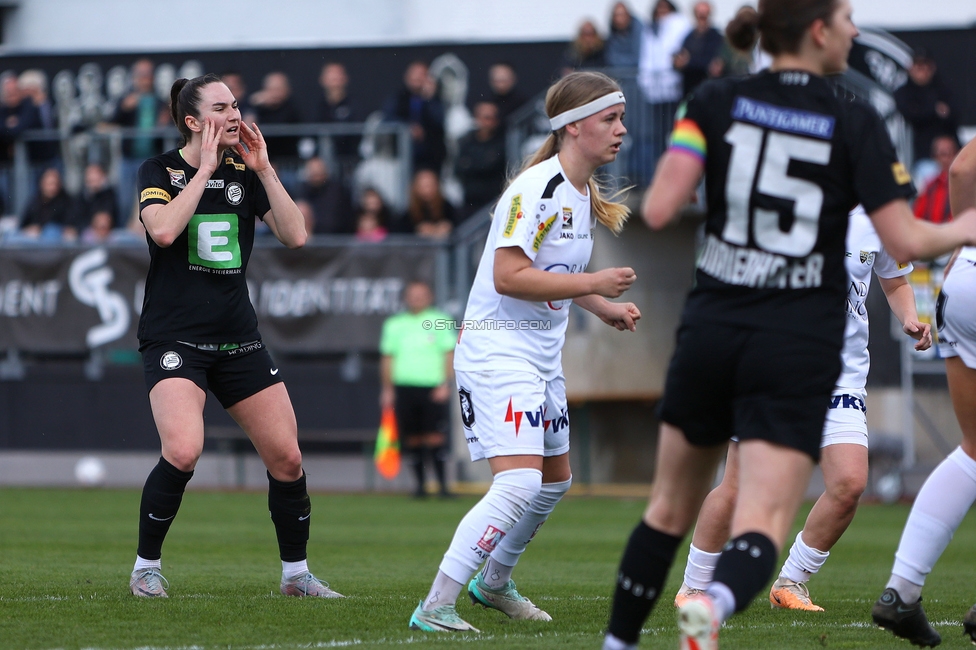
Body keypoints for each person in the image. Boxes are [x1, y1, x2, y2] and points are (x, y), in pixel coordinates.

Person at [601, 1, 976, 648]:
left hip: (714, 329)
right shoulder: (854, 118)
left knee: (667, 509)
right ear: (819, 31)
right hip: (790, 345)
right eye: (848, 19)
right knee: (764, 521)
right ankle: (705, 611)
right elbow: (906, 239)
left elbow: (660, 207)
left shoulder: (714, 99)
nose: (856, 32)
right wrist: (967, 229)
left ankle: (621, 642)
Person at [408, 70, 641, 633]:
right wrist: (594, 285)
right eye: (610, 119)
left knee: (554, 479)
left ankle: (491, 583)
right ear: (573, 126)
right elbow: (510, 276)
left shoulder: (581, 193)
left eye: (621, 118)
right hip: (497, 354)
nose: (621, 131)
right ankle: (436, 606)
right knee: (518, 483)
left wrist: (598, 302)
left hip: (540, 359)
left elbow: (555, 271)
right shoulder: (536, 188)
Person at [128, 73, 342, 601]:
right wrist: (201, 171)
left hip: (236, 336)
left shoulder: (245, 172)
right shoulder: (159, 169)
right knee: (183, 450)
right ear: (193, 121)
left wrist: (265, 170)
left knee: (288, 458)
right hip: (175, 337)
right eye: (221, 107)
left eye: (236, 105)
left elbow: (296, 235)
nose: (235, 114)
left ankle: (296, 576)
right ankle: (145, 568)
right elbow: (162, 231)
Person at [672, 205, 931, 614]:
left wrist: (910, 318)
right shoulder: (781, 197)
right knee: (739, 487)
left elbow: (896, 280)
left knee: (848, 484)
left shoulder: (877, 214)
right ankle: (693, 587)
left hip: (841, 375)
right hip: (772, 367)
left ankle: (791, 582)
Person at [871, 133, 976, 648]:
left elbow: (960, 171)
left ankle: (902, 590)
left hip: (966, 278)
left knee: (975, 450)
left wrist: (965, 241)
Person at [379, 281, 456, 498]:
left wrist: (446, 383)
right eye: (412, 295)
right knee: (412, 438)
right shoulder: (394, 324)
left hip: (432, 387)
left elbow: (449, 354)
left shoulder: (440, 320)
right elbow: (387, 358)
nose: (416, 298)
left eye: (421, 294)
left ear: (430, 296)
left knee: (435, 437)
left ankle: (442, 487)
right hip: (404, 387)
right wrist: (387, 389)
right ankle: (420, 487)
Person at [635, 0, 691, 184]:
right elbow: (647, 56)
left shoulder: (679, 24)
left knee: (673, 133)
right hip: (654, 91)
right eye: (659, 9)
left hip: (672, 89)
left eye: (665, 9)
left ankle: (676, 177)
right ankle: (659, 177)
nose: (662, 13)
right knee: (656, 136)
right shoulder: (650, 29)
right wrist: (645, 81)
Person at [894, 51, 959, 189]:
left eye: (925, 66)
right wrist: (934, 110)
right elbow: (911, 114)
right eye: (918, 66)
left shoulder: (943, 89)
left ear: (932, 68)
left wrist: (925, 110)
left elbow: (953, 115)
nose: (921, 71)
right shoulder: (903, 92)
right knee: (928, 177)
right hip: (916, 160)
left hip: (950, 161)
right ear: (910, 68)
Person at [383, 61, 446, 173]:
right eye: (414, 74)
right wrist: (407, 129)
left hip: (430, 156)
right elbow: (387, 120)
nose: (417, 77)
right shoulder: (397, 98)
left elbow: (440, 120)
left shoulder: (435, 99)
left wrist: (430, 98)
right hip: (402, 155)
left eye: (421, 74)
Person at [454, 101, 507, 219]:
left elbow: (493, 166)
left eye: (492, 118)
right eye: (485, 117)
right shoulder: (466, 141)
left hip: (493, 200)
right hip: (470, 201)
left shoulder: (502, 142)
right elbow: (458, 168)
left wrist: (472, 165)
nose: (488, 122)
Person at [312, 62, 361, 163]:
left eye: (337, 77)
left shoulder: (354, 106)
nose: (335, 82)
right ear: (323, 80)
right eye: (331, 77)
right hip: (322, 164)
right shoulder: (318, 108)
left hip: (350, 160)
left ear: (345, 79)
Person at [673, 2, 725, 95]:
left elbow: (712, 63)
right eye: (700, 15)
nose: (702, 18)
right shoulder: (688, 37)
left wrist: (688, 62)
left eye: (704, 15)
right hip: (690, 89)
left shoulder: (716, 37)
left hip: (709, 90)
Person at [13, 166, 76, 243]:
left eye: (54, 184)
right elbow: (22, 225)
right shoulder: (34, 201)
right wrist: (30, 230)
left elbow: (69, 227)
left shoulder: (66, 202)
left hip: (55, 241)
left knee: (51, 231)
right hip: (33, 242)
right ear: (42, 183)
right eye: (49, 184)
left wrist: (41, 230)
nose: (52, 188)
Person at [294, 156, 354, 235]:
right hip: (309, 239)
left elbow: (346, 217)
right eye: (314, 174)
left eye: (319, 174)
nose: (316, 177)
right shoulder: (301, 192)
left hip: (336, 238)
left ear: (325, 172)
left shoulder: (338, 191)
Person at [913, 135, 960, 225]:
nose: (947, 159)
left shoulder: (964, 185)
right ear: (935, 157)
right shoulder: (930, 186)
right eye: (943, 154)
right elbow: (917, 217)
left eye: (950, 153)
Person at [402, 168, 457, 239]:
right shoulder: (409, 214)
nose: (427, 190)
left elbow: (459, 225)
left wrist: (447, 227)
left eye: (430, 185)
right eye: (423, 186)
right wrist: (417, 231)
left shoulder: (447, 208)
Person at [73, 162, 120, 239]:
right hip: (87, 232)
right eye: (90, 174)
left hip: (109, 233)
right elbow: (76, 218)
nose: (93, 178)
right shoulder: (81, 196)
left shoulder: (110, 194)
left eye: (96, 174)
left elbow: (108, 217)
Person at [486, 63, 527, 132]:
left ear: (513, 79)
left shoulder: (522, 102)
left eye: (503, 80)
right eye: (496, 80)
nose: (500, 85)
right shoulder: (486, 102)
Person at [605, 2, 644, 69]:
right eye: (616, 15)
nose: (619, 19)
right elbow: (611, 58)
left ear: (628, 15)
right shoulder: (612, 36)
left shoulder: (641, 33)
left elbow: (639, 58)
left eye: (622, 15)